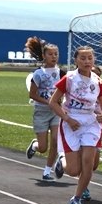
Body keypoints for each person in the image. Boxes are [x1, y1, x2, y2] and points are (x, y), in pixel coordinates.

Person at [48, 46, 102, 204]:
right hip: (71, 123)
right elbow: (53, 102)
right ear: (76, 60)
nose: (87, 61)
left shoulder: (98, 81)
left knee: (88, 163)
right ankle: (62, 160)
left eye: (90, 58)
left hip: (91, 124)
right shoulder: (69, 79)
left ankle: (76, 199)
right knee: (74, 171)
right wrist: (68, 119)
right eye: (83, 58)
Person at [24, 36, 65, 180]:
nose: (54, 57)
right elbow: (32, 94)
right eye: (50, 54)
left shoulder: (61, 73)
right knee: (43, 147)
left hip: (56, 112)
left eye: (56, 54)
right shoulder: (38, 74)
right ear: (44, 55)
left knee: (55, 140)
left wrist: (59, 100)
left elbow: (66, 90)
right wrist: (48, 102)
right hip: (41, 111)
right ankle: (35, 145)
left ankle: (47, 171)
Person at [81, 65, 102, 201]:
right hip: (82, 128)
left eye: (97, 75)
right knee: (85, 160)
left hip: (97, 129)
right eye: (92, 73)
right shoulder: (79, 89)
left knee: (93, 165)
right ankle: (83, 188)